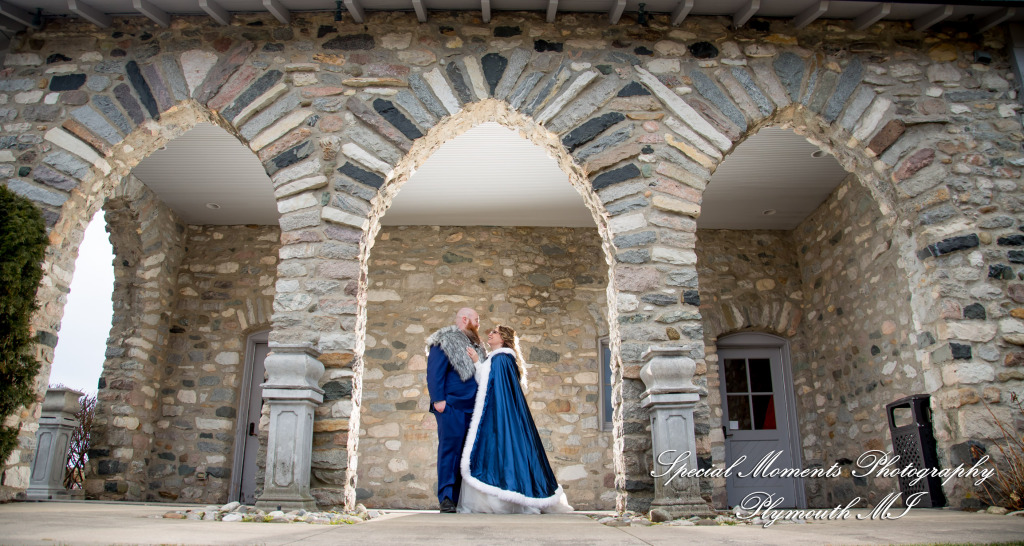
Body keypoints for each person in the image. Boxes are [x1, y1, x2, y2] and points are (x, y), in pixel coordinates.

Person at [458, 325, 574, 514]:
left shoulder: (502, 359)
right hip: (496, 413)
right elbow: (488, 382)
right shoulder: (496, 359)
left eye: (494, 332)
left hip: (497, 415)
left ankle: (509, 500)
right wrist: (478, 362)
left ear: (502, 339)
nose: (490, 334)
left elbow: (496, 390)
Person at [425, 307, 488, 513]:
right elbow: (434, 372)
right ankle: (446, 497)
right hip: (451, 406)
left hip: (474, 408)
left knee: (467, 455)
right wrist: (438, 400)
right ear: (465, 319)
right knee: (449, 451)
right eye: (476, 320)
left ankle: (461, 499)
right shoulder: (444, 339)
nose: (479, 324)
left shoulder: (477, 345)